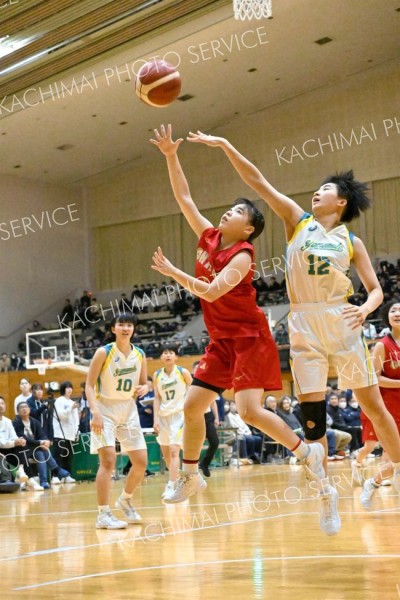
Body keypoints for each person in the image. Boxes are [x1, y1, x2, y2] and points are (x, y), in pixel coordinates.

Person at [187, 129, 400, 534]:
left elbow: (375, 290)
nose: (315, 194)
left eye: (324, 190)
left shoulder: (351, 240)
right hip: (303, 322)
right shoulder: (297, 221)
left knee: (374, 405)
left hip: (341, 319)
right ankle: (327, 495)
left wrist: (367, 308)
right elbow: (258, 182)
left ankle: (392, 473)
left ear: (342, 202)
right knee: (313, 416)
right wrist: (227, 145)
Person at [149, 125, 325, 524]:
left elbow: (210, 293)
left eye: (239, 212)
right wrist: (170, 155)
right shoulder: (210, 236)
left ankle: (305, 451)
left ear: (248, 229)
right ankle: (191, 477)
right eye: (230, 208)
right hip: (221, 341)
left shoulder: (243, 256)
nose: (229, 211)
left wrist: (175, 272)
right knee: (192, 408)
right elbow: (184, 197)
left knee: (248, 411)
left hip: (250, 339)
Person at [85, 313, 149, 530]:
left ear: (134, 329)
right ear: (113, 328)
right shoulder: (104, 352)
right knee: (109, 461)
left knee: (141, 462)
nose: (125, 328)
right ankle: (103, 514)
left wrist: (145, 387)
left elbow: (144, 382)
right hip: (105, 410)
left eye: (129, 324)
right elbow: (88, 385)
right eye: (121, 324)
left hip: (128, 410)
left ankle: (125, 499)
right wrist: (94, 412)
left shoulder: (140, 354)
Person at [357, 301, 400, 508]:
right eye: (393, 310)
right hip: (391, 409)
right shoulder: (383, 345)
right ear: (387, 318)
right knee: (395, 460)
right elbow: (374, 378)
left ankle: (371, 484)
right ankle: (372, 484)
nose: (397, 313)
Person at [153, 345, 192, 499]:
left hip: (179, 415)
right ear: (161, 357)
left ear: (176, 357)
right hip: (163, 417)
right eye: (165, 353)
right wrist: (155, 418)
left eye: (171, 353)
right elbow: (157, 398)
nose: (168, 355)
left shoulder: (183, 372)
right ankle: (178, 483)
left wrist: (190, 412)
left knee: (175, 451)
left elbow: (193, 390)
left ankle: (170, 486)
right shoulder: (157, 375)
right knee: (167, 455)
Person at [13, 402, 71, 489]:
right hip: (23, 450)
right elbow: (24, 438)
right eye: (21, 408)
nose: (24, 409)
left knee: (42, 451)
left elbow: (41, 434)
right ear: (18, 411)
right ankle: (53, 472)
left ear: (29, 409)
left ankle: (45, 480)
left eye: (26, 407)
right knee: (40, 452)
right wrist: (40, 443)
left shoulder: (34, 421)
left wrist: (46, 441)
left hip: (35, 447)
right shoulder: (16, 423)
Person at [52, 382, 79, 482]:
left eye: (71, 387)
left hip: (71, 434)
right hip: (60, 433)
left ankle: (66, 476)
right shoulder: (59, 401)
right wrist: (71, 408)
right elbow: (61, 416)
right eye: (67, 387)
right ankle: (54, 477)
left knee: (68, 456)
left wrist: (76, 432)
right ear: (63, 389)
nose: (69, 389)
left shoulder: (72, 402)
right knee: (58, 455)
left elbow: (76, 420)